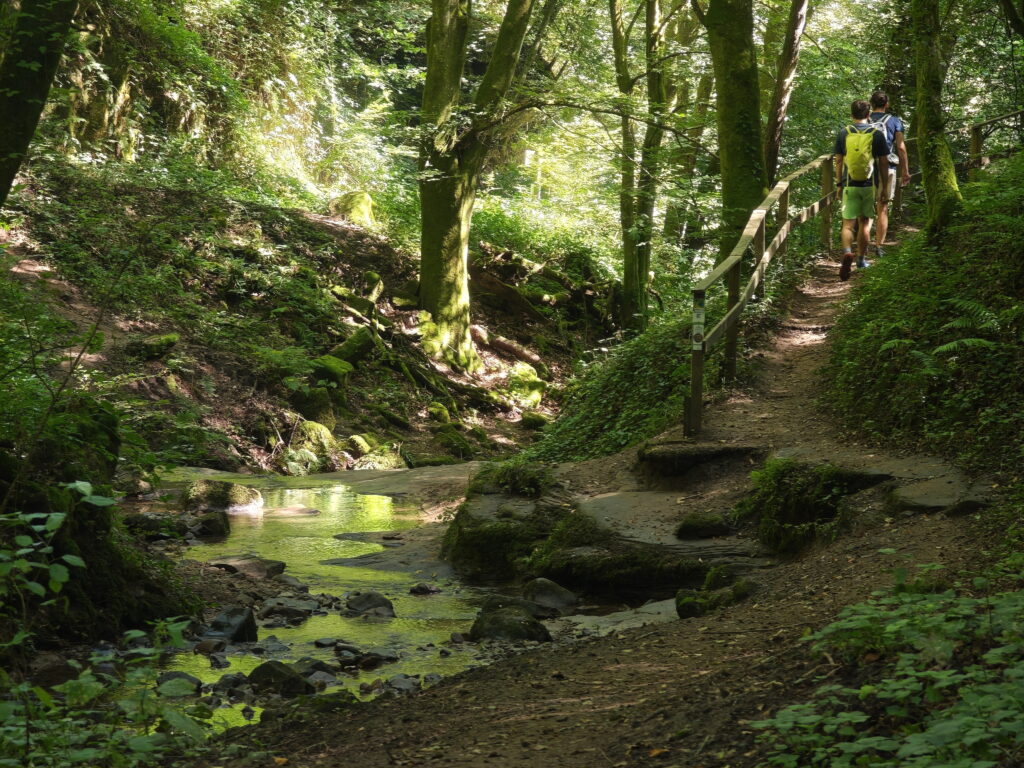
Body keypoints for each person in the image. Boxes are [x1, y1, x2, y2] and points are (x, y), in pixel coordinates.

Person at [834, 99, 890, 282]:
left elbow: (839, 160)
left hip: (849, 183)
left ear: (852, 115)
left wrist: (838, 184)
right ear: (868, 114)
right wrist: (884, 187)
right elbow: (883, 162)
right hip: (868, 185)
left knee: (847, 224)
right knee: (865, 221)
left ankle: (847, 252)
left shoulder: (844, 133)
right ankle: (860, 260)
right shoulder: (876, 134)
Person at [868, 90, 910, 258]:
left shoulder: (864, 119)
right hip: (889, 167)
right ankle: (878, 246)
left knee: (864, 207)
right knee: (882, 207)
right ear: (887, 104)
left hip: (866, 167)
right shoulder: (894, 121)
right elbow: (900, 147)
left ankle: (861, 245)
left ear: (871, 104)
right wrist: (905, 170)